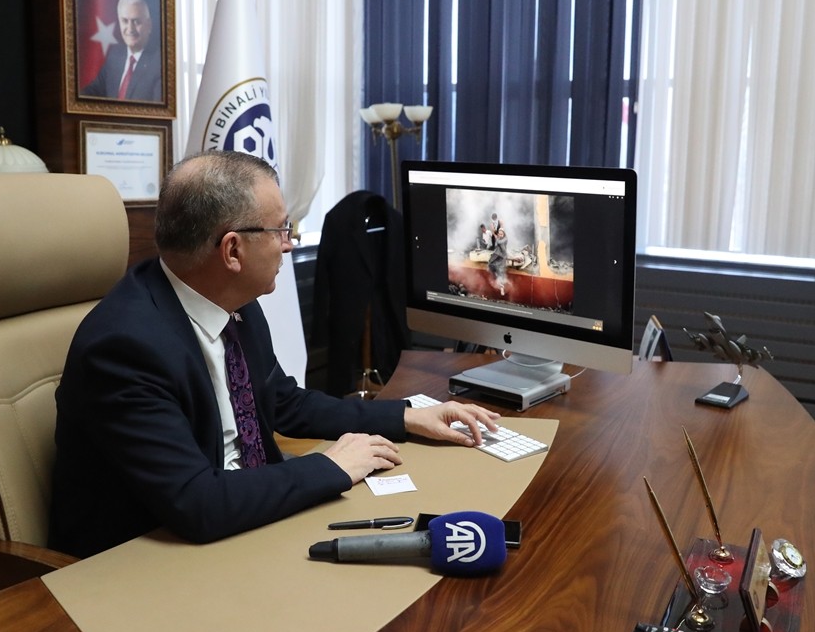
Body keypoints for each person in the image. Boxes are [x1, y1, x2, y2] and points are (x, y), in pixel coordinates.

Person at [48, 150, 501, 558]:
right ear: (232, 250)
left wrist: (405, 418)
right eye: (282, 228)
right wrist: (330, 467)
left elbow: (282, 401)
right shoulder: (125, 346)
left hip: (241, 521)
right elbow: (197, 502)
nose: (290, 242)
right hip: (149, 558)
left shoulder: (229, 301)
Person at [80, 0, 161, 101]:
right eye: (125, 21)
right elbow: (93, 90)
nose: (130, 29)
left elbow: (156, 113)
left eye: (136, 22)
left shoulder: (159, 64)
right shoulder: (115, 56)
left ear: (149, 25)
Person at [489, 226, 510, 296]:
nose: (500, 235)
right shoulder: (499, 238)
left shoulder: (504, 239)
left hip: (501, 257)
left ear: (504, 234)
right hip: (497, 256)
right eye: (499, 234)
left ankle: (502, 287)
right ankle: (500, 283)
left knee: (500, 272)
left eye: (501, 234)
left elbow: (499, 243)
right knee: (491, 265)